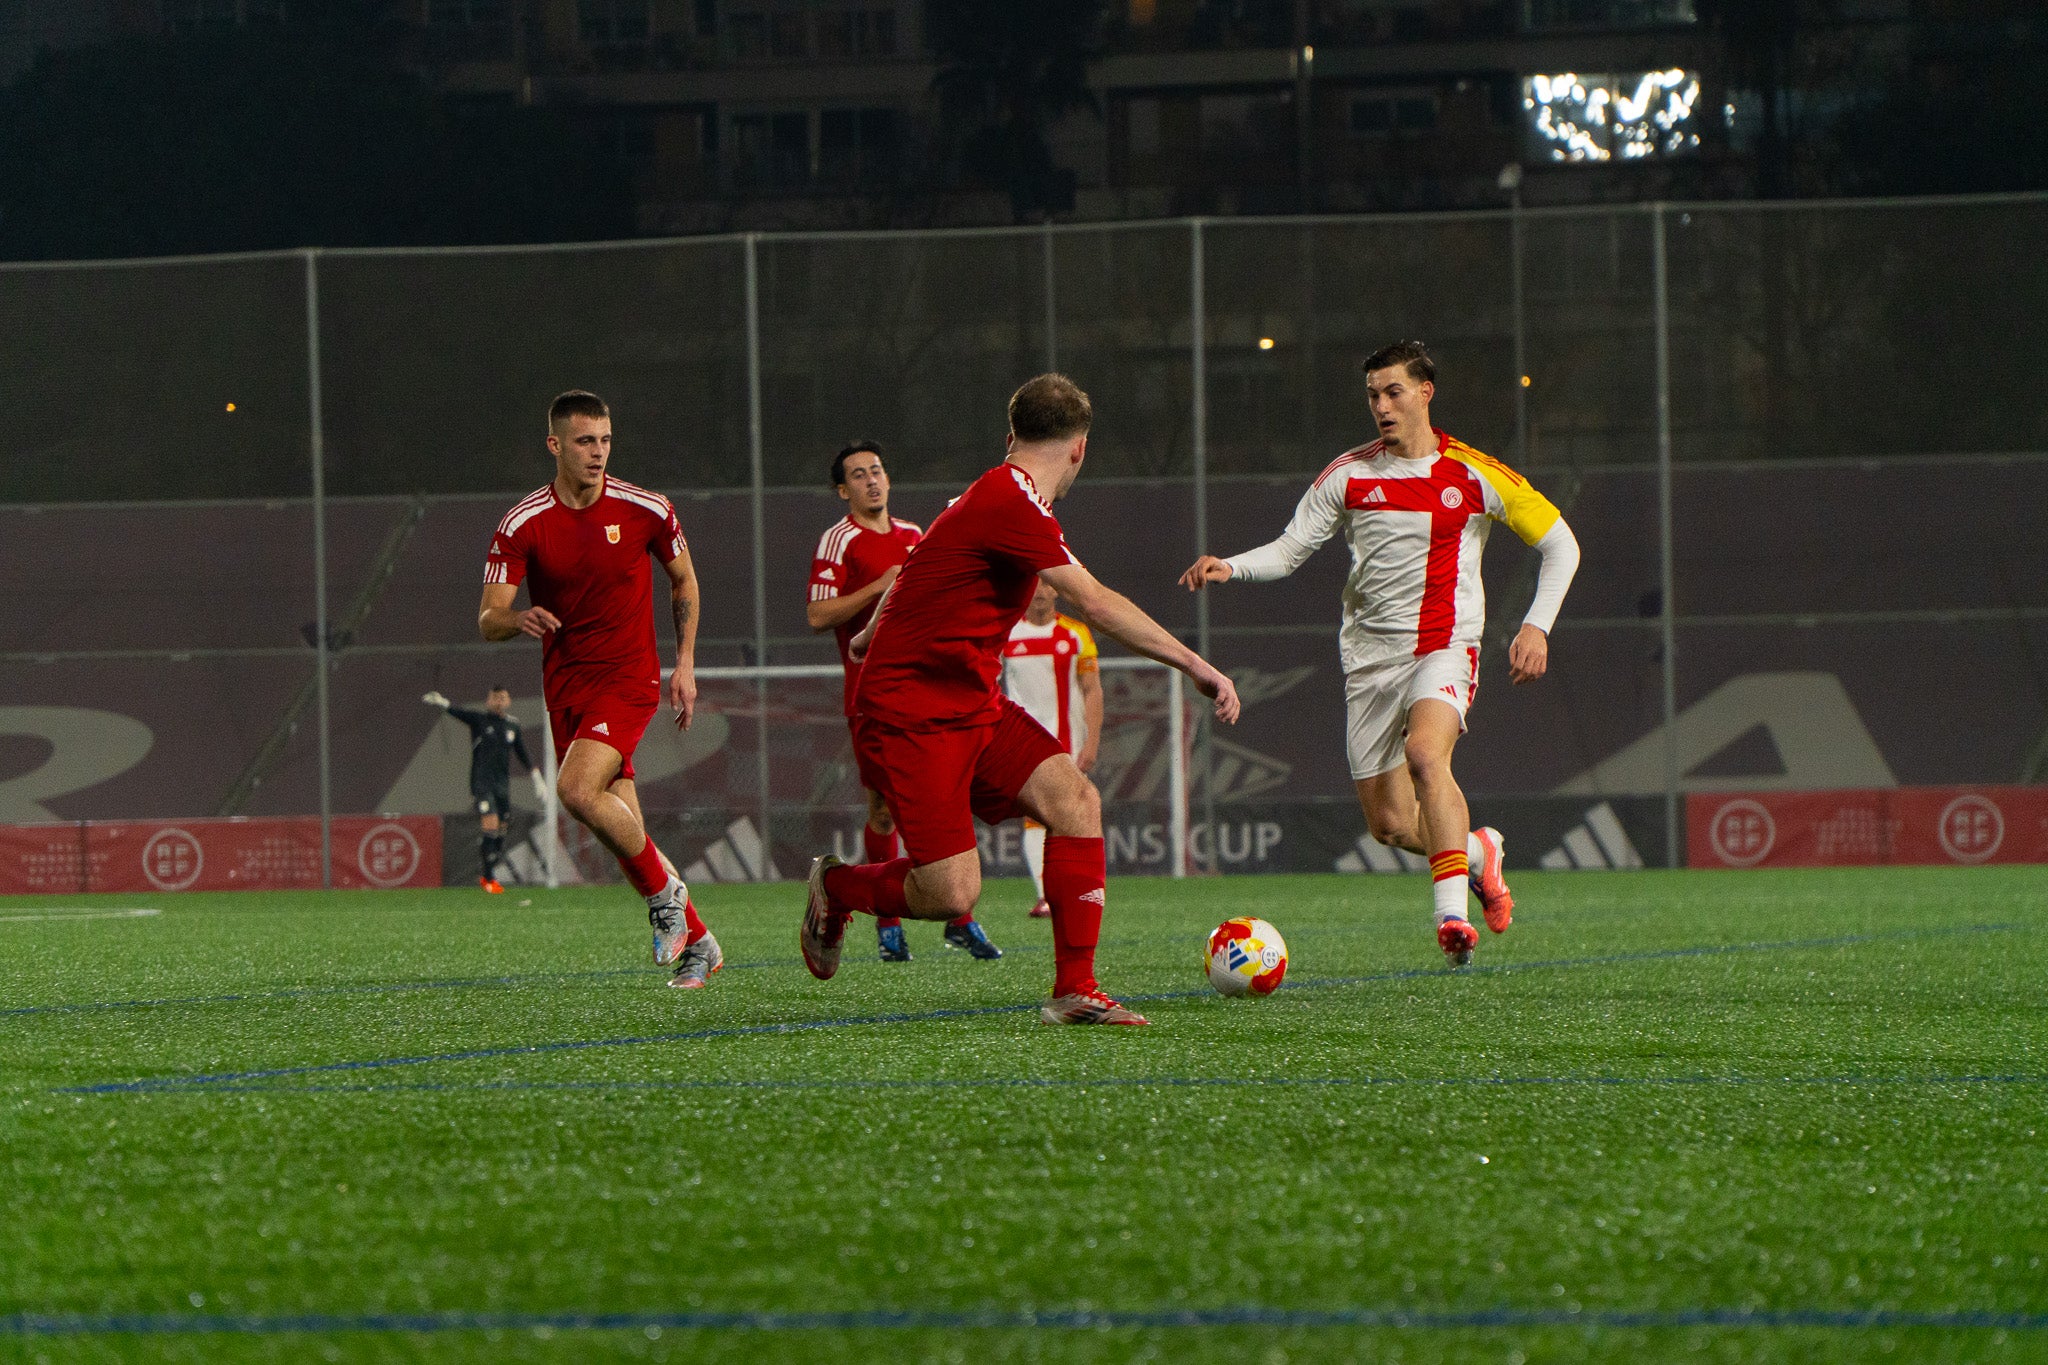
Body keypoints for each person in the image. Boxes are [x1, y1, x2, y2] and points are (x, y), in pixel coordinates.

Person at [800, 374, 1241, 1025]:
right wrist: (1195, 663)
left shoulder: (991, 494)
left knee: (1075, 800)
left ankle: (1074, 988)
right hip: (910, 713)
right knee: (951, 892)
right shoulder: (1012, 503)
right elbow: (1093, 600)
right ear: (1080, 449)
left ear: (1012, 436)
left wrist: (867, 635)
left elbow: (921, 565)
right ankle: (834, 887)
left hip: (973, 705)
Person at [1180, 340, 1580, 967]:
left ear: (1426, 391)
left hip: (1444, 648)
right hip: (1369, 661)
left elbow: (1561, 544)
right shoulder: (1348, 475)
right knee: (1391, 826)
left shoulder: (1474, 473)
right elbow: (1289, 551)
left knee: (1427, 754)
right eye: (1373, 395)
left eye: (1393, 392)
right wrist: (1230, 566)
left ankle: (1451, 920)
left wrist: (1537, 626)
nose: (1382, 406)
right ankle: (1480, 853)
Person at [480, 389, 723, 989]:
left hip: (627, 678)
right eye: (585, 441)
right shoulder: (523, 522)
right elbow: (489, 618)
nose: (598, 453)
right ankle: (701, 942)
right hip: (567, 689)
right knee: (624, 831)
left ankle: (666, 903)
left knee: (575, 791)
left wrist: (685, 665)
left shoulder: (647, 508)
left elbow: (684, 580)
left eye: (606, 440)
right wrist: (519, 618)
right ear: (555, 445)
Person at [807, 441, 1000, 964]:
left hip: (928, 693)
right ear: (843, 490)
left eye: (877, 470)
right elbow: (819, 615)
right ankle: (890, 927)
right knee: (885, 810)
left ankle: (958, 919)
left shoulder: (917, 535)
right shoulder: (839, 539)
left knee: (942, 800)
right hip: (870, 699)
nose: (872, 480)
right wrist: (879, 587)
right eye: (858, 475)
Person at [1000, 577, 1102, 918]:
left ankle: (1073, 891)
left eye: (1047, 584)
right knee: (1034, 817)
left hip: (1068, 743)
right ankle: (1048, 896)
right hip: (1022, 742)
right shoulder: (1006, 633)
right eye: (1034, 584)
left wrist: (1092, 740)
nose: (1041, 591)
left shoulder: (1076, 634)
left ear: (1058, 589)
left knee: (1073, 817)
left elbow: (1092, 689)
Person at [421, 685, 546, 893]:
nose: (498, 701)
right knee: (491, 823)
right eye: (495, 698)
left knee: (500, 831)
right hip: (482, 783)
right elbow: (459, 713)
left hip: (502, 786)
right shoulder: (479, 720)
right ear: (488, 701)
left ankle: (488, 867)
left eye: (503, 698)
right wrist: (443, 703)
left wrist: (537, 778)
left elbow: (523, 754)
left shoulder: (512, 726)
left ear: (508, 701)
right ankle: (488, 878)